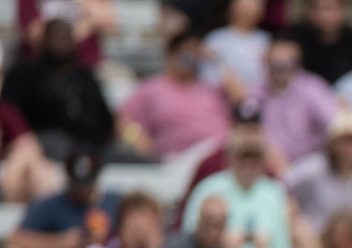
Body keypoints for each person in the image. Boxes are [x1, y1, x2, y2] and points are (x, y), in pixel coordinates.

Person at [1, 12, 109, 159]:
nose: (62, 43)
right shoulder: (24, 75)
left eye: (66, 37)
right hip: (42, 145)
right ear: (45, 40)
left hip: (89, 145)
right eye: (57, 37)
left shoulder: (84, 76)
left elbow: (104, 118)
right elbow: (11, 117)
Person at [117, 33, 231, 161]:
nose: (191, 58)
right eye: (187, 52)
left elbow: (243, 101)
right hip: (179, 161)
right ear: (172, 54)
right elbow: (124, 120)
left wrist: (217, 60)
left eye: (196, 53)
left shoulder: (209, 88)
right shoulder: (152, 88)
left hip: (221, 154)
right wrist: (138, 141)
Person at [4, 146, 108, 248]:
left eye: (86, 185)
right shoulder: (52, 205)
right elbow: (17, 239)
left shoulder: (115, 203)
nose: (81, 190)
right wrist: (61, 243)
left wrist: (105, 240)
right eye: (77, 184)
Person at [284, 111, 352, 229]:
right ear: (332, 143)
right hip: (317, 236)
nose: (348, 149)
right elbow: (285, 185)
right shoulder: (313, 169)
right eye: (343, 141)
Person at [252, 37, 338, 165]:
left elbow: (335, 125)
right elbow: (247, 129)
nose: (282, 68)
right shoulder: (256, 91)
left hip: (308, 164)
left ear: (298, 64)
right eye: (276, 64)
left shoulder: (313, 88)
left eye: (288, 63)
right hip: (267, 165)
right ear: (266, 61)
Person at [199, 0, 269, 102]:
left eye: (257, 6)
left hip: (259, 101)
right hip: (219, 101)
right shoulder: (216, 39)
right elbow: (207, 76)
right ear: (233, 8)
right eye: (245, 6)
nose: (250, 11)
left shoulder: (266, 40)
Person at [288, 0, 352, 86]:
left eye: (329, 8)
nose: (323, 15)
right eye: (316, 8)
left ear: (343, 9)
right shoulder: (293, 40)